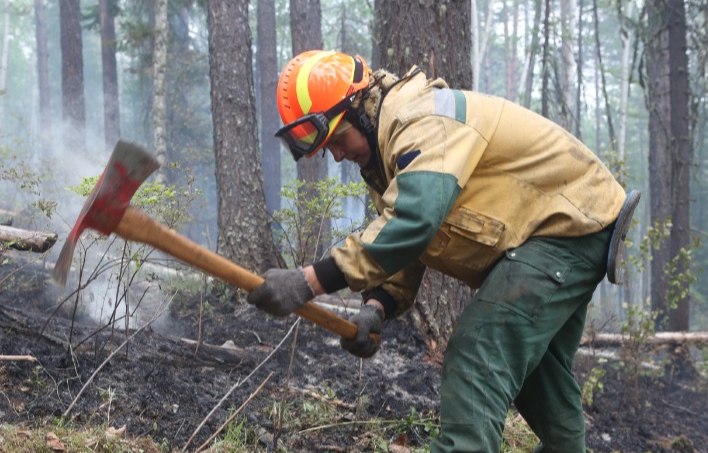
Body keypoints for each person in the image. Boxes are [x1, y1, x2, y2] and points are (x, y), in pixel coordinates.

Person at [247, 50, 639, 452]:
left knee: (477, 355)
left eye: (337, 140)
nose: (337, 155)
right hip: (570, 228)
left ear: (358, 110)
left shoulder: (420, 122)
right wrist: (377, 306)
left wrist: (309, 281)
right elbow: (409, 235)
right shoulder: (387, 154)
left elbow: (414, 223)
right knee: (542, 379)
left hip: (566, 225)